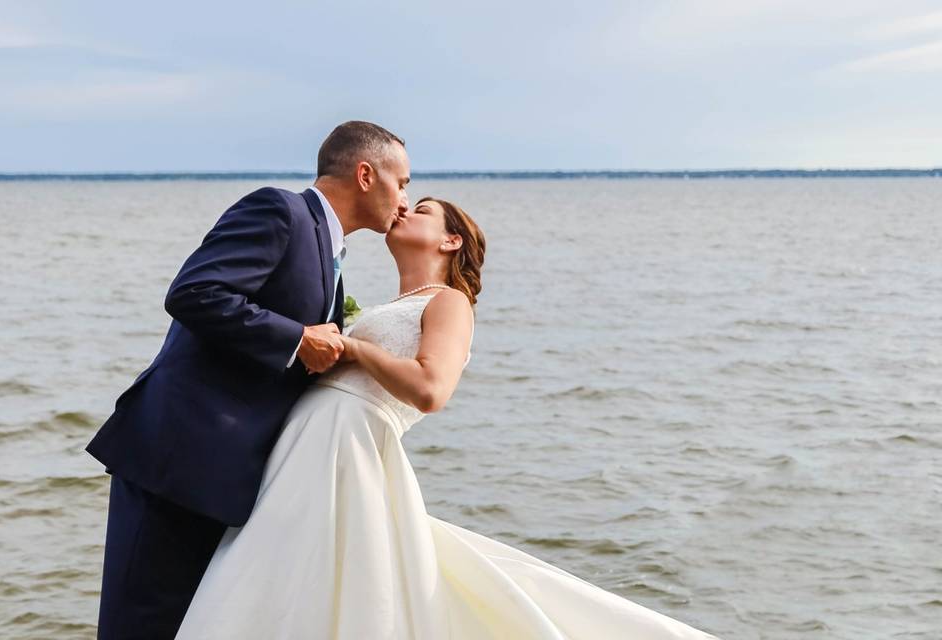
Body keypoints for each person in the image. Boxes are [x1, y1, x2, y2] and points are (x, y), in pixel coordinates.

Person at [175, 198, 721, 639]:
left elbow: (432, 390)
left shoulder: (449, 303)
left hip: (351, 446)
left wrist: (355, 351)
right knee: (278, 576)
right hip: (307, 445)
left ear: (450, 240)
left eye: (424, 209)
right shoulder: (382, 305)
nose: (405, 207)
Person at [84, 120, 411, 639]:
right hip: (179, 459)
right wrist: (296, 339)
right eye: (403, 182)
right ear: (366, 174)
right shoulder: (280, 210)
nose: (405, 201)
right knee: (140, 625)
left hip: (228, 479)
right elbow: (194, 293)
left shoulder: (332, 253)